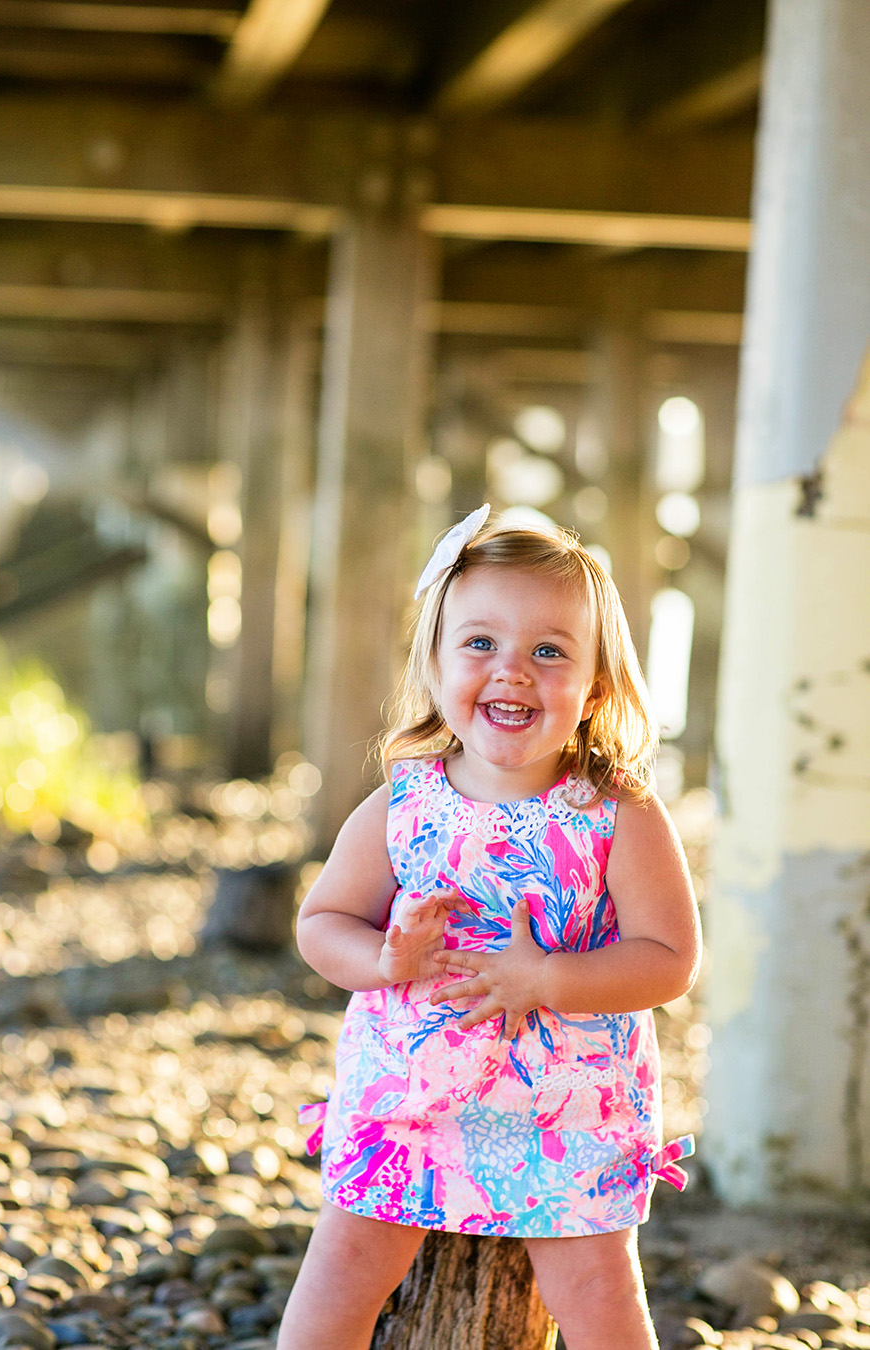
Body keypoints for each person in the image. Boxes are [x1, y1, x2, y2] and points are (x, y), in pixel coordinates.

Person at [278, 506, 702, 1350]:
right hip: (410, 1097)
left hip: (566, 1107)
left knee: (596, 1289)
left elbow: (670, 959)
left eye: (550, 652)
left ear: (596, 690)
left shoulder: (616, 812)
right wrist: (385, 957)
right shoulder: (403, 803)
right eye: (480, 644)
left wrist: (546, 979)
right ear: (433, 665)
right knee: (343, 1271)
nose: (513, 671)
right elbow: (321, 922)